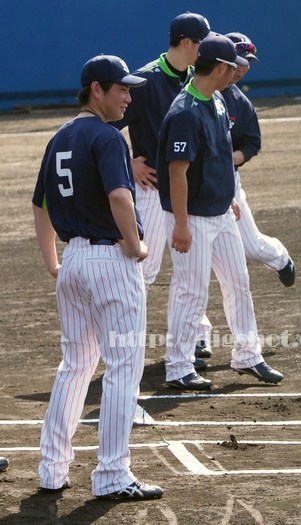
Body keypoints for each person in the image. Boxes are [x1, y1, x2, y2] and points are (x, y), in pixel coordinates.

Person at [32, 55, 163, 499]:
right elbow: (119, 196)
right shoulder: (106, 137)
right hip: (110, 262)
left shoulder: (59, 138)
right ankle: (111, 475)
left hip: (73, 262)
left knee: (75, 366)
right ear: (96, 90)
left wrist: (54, 261)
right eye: (120, 88)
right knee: (124, 367)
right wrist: (137, 245)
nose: (128, 96)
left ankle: (52, 470)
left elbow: (40, 205)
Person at [157, 34, 284, 390]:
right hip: (193, 217)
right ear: (223, 67)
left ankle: (247, 355)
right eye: (234, 67)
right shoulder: (185, 111)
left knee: (238, 283)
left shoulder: (215, 100)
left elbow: (217, 157)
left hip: (220, 212)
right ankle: (178, 366)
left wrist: (226, 194)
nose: (238, 73)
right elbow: (177, 171)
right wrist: (181, 224)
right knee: (192, 291)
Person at [112, 12, 212, 371]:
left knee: (193, 269)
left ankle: (198, 332)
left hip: (187, 190)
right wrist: (130, 162)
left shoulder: (193, 79)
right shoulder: (146, 81)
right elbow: (106, 126)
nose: (206, 48)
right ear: (187, 43)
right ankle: (125, 345)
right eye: (202, 42)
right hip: (153, 191)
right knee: (147, 269)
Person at [194, 31, 295, 372]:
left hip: (227, 186)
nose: (241, 69)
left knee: (250, 251)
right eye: (237, 62)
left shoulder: (237, 102)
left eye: (246, 65)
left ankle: (279, 256)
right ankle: (196, 340)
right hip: (197, 192)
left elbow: (252, 143)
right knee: (190, 276)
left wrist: (232, 161)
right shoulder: (194, 97)